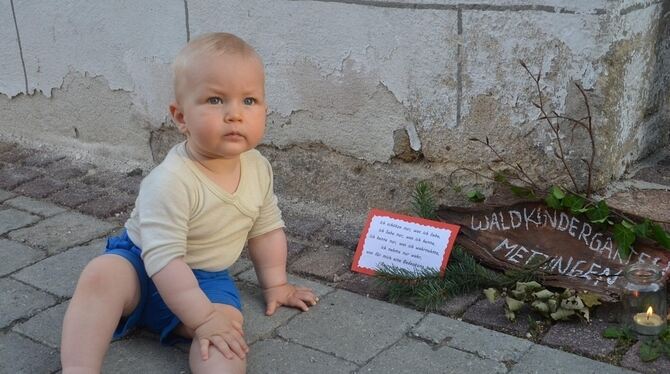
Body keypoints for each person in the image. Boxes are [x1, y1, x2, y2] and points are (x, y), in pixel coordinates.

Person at [60, 32, 318, 374]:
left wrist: (276, 284)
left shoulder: (258, 168)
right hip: (140, 268)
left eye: (249, 101)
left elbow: (266, 229)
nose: (234, 114)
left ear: (265, 111)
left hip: (205, 278)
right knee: (101, 275)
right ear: (181, 117)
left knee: (227, 340)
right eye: (215, 100)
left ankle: (185, 326)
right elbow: (163, 260)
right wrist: (203, 316)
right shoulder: (170, 180)